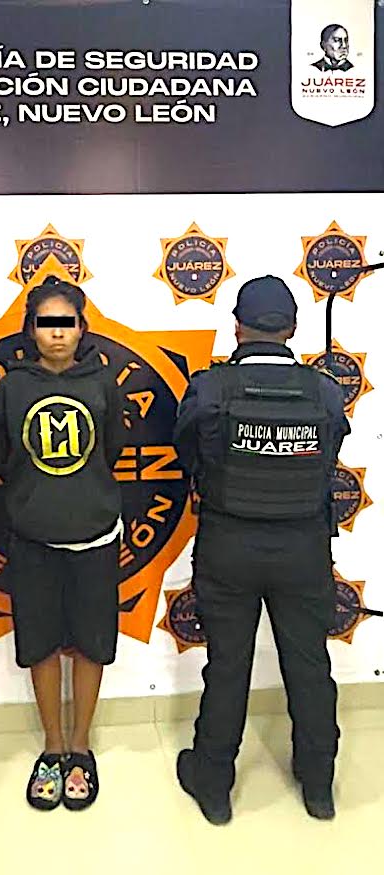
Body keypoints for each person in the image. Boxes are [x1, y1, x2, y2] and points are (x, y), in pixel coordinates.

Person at [172, 276, 349, 826]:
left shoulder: (210, 389)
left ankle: (214, 787)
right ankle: (319, 786)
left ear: (237, 328)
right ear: (292, 329)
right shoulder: (324, 392)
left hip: (229, 543)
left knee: (227, 666)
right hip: (302, 547)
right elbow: (328, 456)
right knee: (310, 665)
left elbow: (187, 454)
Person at [0, 275, 126, 812]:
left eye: (67, 323)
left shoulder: (104, 383)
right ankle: (52, 746)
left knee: (92, 644)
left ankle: (81, 747)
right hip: (33, 540)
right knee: (40, 645)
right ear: (31, 330)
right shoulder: (12, 387)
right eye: (47, 324)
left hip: (96, 539)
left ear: (82, 328)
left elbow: (113, 450)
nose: (58, 334)